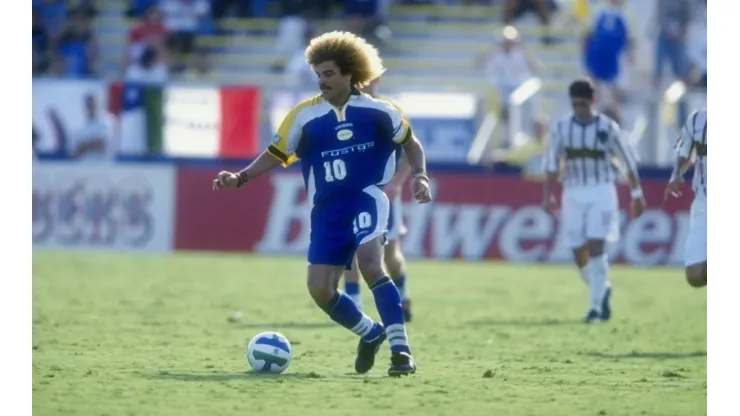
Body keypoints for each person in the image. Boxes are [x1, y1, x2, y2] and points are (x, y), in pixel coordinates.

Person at [212, 31, 431, 376]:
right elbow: (275, 154)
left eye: (328, 73)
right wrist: (239, 178)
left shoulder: (379, 112)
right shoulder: (304, 116)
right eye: (318, 74)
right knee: (320, 289)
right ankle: (370, 333)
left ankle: (401, 350)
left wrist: (420, 175)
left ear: (349, 74)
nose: (321, 81)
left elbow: (411, 143)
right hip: (327, 210)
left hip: (366, 198)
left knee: (372, 263)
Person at [542, 79, 646, 324]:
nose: (579, 108)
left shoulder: (607, 128)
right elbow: (551, 164)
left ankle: (595, 308)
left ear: (593, 101)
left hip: (601, 190)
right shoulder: (562, 128)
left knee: (597, 245)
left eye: (583, 104)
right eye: (575, 104)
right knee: (578, 250)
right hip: (573, 191)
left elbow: (628, 162)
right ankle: (601, 288)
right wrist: (547, 195)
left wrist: (637, 194)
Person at [342, 78, 414, 322]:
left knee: (390, 253)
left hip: (383, 194)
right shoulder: (342, 111)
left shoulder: (391, 111)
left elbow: (410, 152)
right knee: (350, 248)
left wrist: (396, 183)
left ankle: (403, 296)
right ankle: (353, 305)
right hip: (352, 193)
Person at [665, 108, 706, 287]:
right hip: (704, 203)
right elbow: (685, 152)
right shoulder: (697, 119)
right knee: (694, 275)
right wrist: (676, 175)